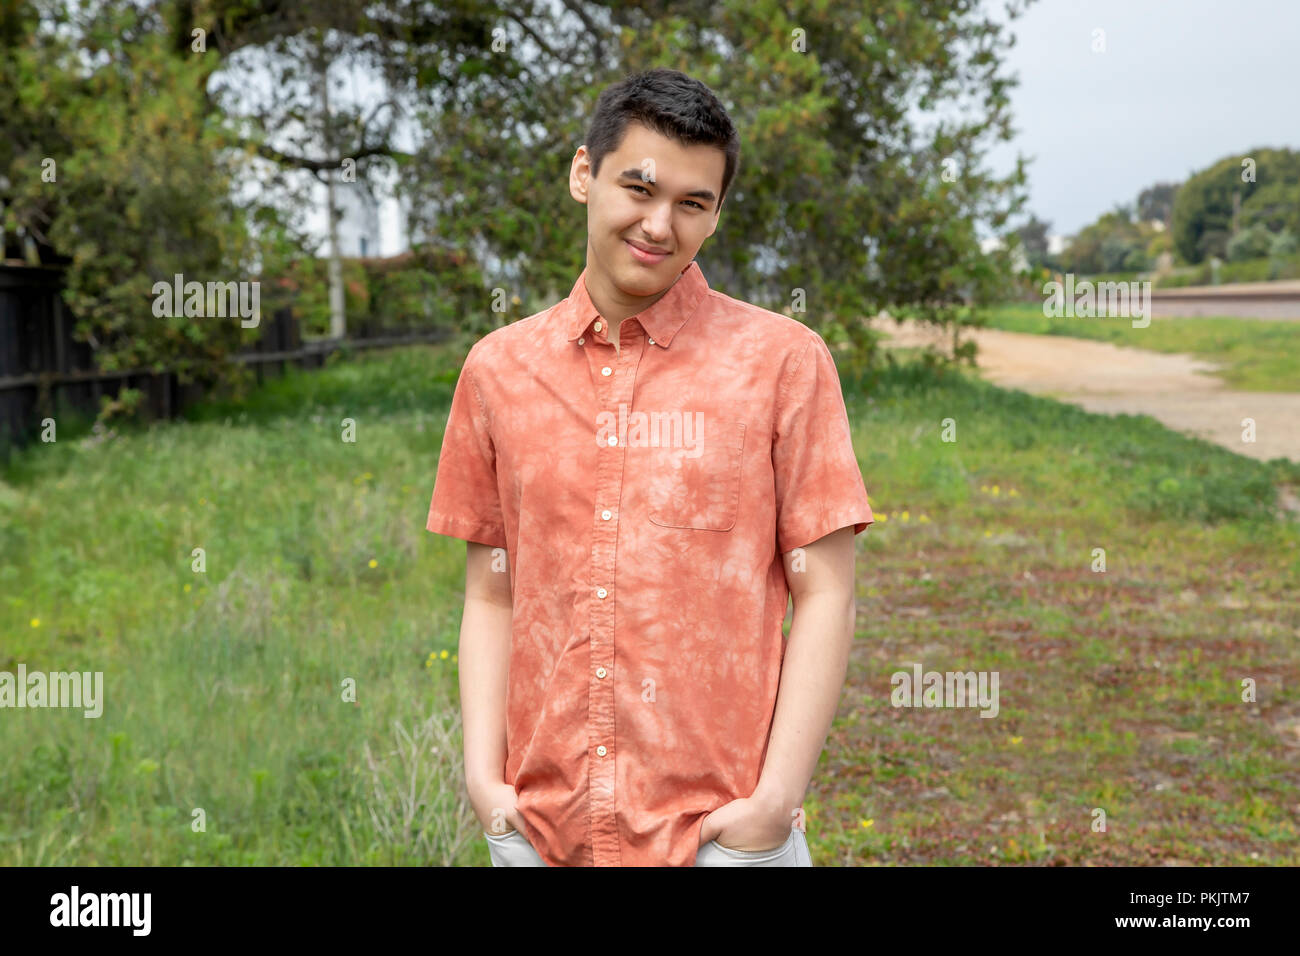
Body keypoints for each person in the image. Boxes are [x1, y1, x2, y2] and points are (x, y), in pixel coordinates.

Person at [427, 67, 873, 867]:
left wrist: (771, 806)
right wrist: (485, 786)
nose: (660, 224)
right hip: (542, 832)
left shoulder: (781, 364)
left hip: (721, 839)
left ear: (715, 216)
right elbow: (490, 590)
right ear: (582, 174)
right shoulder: (497, 371)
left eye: (693, 203)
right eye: (639, 187)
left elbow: (827, 589)